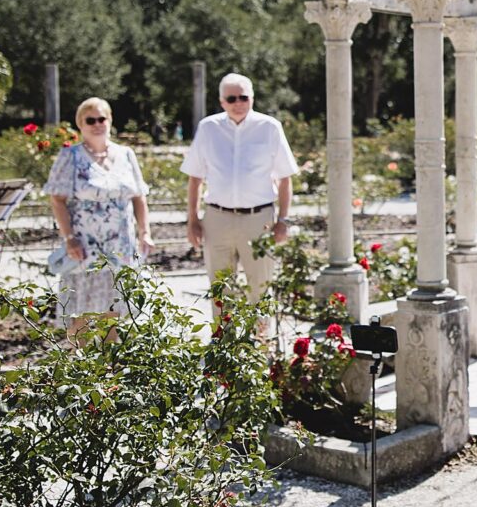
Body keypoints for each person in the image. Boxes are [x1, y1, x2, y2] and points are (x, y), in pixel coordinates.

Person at [181, 74, 297, 317]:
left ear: (252, 98)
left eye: (243, 97)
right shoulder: (208, 128)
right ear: (222, 101)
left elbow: (285, 178)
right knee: (220, 290)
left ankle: (261, 349)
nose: (238, 103)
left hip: (259, 219)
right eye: (231, 98)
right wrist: (192, 220)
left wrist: (283, 221)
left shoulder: (269, 127)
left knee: (261, 288)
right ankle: (224, 350)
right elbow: (195, 178)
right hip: (217, 218)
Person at [45, 97, 153, 337]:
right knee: (79, 312)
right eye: (90, 120)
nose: (97, 124)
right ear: (80, 125)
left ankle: (109, 370)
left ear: (110, 120)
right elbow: (57, 199)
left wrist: (145, 232)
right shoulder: (70, 156)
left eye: (101, 118)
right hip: (84, 246)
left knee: (113, 310)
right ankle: (79, 370)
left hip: (120, 245)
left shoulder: (126, 154)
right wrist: (69, 238)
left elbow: (139, 196)